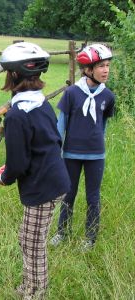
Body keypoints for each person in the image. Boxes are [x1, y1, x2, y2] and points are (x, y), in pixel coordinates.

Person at [0, 42, 70, 299]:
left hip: (43, 187)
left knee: (32, 244)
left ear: (13, 74)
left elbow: (17, 164)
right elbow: (45, 143)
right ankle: (30, 285)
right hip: (51, 178)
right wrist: (15, 166)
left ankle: (36, 292)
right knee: (29, 239)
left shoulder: (17, 115)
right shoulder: (40, 103)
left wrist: (4, 177)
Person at [50, 44, 115, 250]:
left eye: (107, 65)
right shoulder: (71, 93)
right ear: (88, 69)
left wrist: (99, 146)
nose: (106, 70)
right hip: (71, 154)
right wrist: (56, 153)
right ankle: (62, 232)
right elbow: (61, 124)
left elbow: (102, 125)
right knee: (68, 194)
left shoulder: (108, 96)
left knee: (93, 197)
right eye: (101, 66)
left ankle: (90, 237)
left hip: (96, 155)